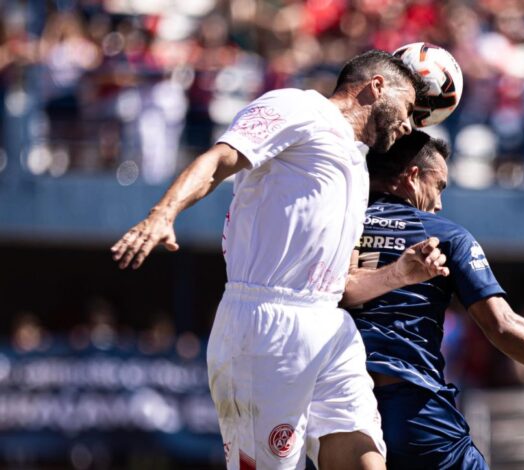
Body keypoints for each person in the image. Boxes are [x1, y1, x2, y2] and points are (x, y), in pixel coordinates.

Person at [110, 50, 448, 470]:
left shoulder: (358, 167)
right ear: (376, 87)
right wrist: (164, 212)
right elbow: (220, 160)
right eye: (407, 106)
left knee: (365, 458)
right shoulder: (297, 107)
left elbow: (342, 286)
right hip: (265, 324)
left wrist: (400, 273)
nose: (410, 124)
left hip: (330, 325)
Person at [341, 130, 524, 469]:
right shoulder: (443, 236)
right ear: (412, 177)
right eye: (438, 186)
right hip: (414, 407)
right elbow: (501, 324)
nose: (439, 203)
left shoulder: (339, 226)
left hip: (338, 406)